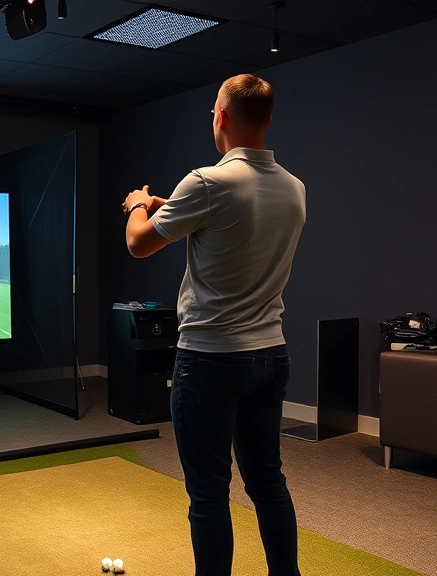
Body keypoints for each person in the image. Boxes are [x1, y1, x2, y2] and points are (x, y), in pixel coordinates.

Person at [121, 74, 306, 576]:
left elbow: (138, 243)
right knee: (267, 482)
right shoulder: (294, 188)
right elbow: (229, 222)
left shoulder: (206, 182)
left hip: (210, 360)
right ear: (267, 120)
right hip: (271, 355)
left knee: (208, 492)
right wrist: (167, 208)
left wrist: (138, 204)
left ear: (221, 116)